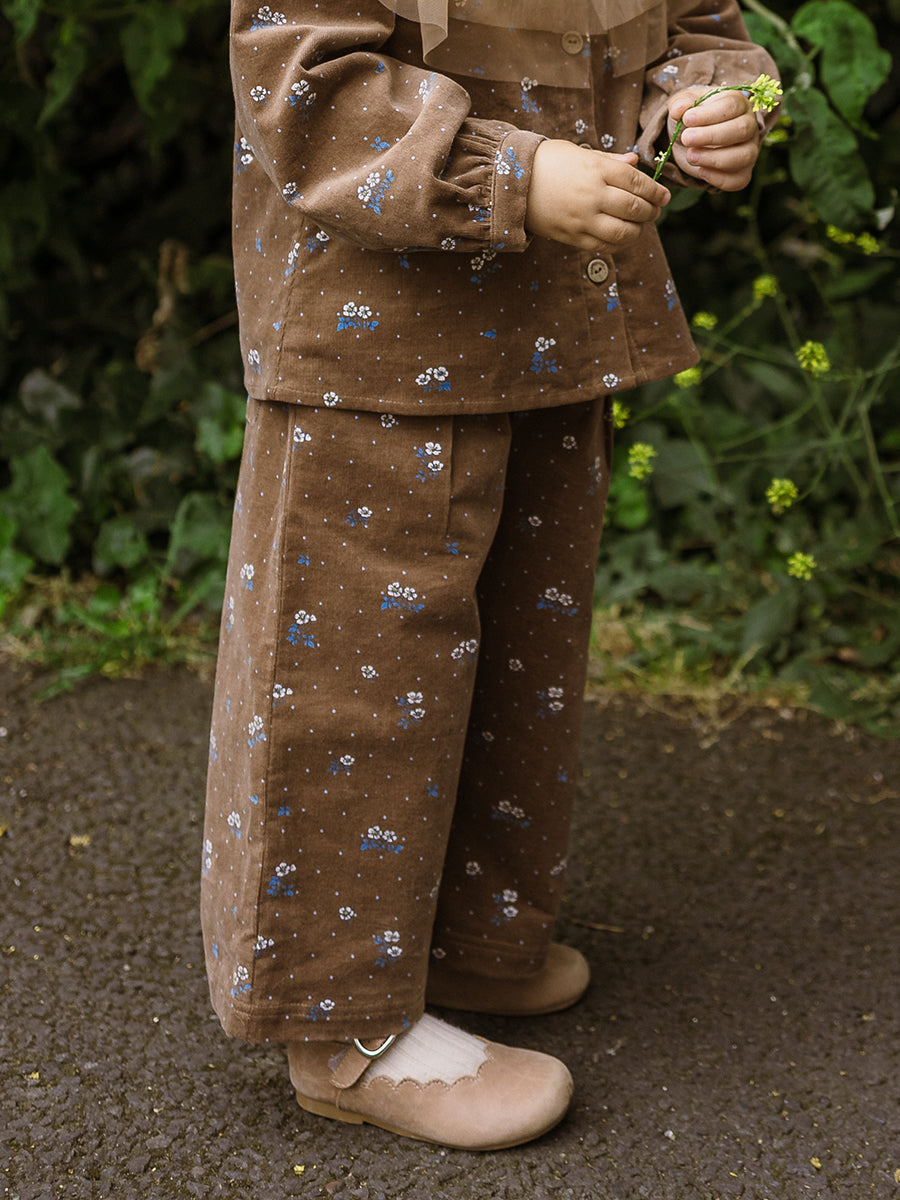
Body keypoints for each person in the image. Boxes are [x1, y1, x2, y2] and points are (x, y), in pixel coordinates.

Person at [201, 0, 778, 1150]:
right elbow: (299, 76)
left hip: (552, 315)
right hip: (376, 335)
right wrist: (511, 174)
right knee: (360, 677)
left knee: (524, 656)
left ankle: (470, 939)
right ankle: (342, 1020)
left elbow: (698, 24)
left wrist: (715, 98)